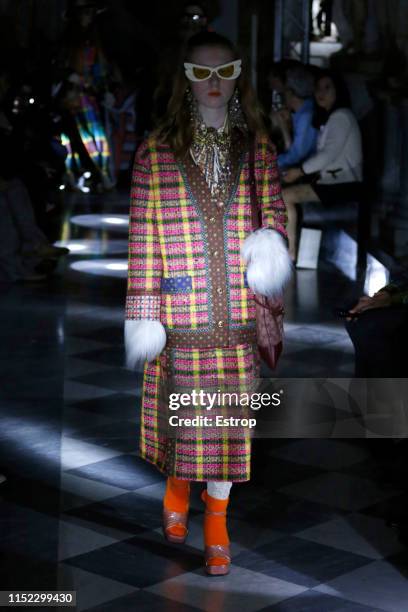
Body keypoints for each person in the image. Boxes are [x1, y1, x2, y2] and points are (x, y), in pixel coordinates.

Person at [124, 31, 291, 575]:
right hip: (181, 309)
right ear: (186, 78)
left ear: (239, 75)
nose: (214, 83)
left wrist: (268, 254)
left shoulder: (257, 145)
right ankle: (177, 487)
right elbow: (143, 239)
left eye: (225, 71)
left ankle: (216, 519)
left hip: (239, 307)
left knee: (228, 423)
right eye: (202, 72)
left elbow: (274, 214)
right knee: (187, 420)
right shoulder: (156, 149)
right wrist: (146, 312)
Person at [282, 70, 363, 260]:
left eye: (327, 88)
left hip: (344, 185)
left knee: (286, 195)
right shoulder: (331, 118)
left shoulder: (341, 117)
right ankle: (291, 251)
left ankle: (290, 253)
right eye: (318, 88)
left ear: (338, 91)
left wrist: (300, 171)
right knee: (286, 192)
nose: (321, 93)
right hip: (334, 182)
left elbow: (327, 155)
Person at [277, 65, 318, 172]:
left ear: (290, 92)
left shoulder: (306, 116)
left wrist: (269, 163)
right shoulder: (301, 113)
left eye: (284, 90)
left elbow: (296, 156)